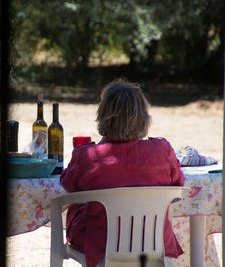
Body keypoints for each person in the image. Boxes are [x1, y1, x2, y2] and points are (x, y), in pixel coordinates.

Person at [60, 79, 184, 267]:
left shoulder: (88, 156)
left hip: (100, 245)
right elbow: (178, 184)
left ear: (103, 115)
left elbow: (68, 185)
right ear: (143, 116)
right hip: (154, 242)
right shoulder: (162, 150)